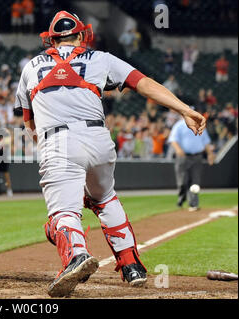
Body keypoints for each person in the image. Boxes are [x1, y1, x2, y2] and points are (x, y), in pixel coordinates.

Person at [15, 11, 207, 297]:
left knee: (64, 212)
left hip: (57, 140)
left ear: (51, 41)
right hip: (98, 139)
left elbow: (27, 120)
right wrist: (185, 109)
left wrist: (45, 144)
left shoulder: (31, 66)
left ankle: (76, 256)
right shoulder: (101, 58)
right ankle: (132, 266)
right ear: (81, 35)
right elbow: (144, 84)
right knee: (104, 198)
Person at [168, 110, 215, 211]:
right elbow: (173, 140)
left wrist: (210, 154)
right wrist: (178, 149)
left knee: (195, 181)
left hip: (197, 156)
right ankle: (181, 198)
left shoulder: (199, 125)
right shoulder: (179, 125)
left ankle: (193, 203)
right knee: (183, 182)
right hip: (183, 157)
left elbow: (205, 141)